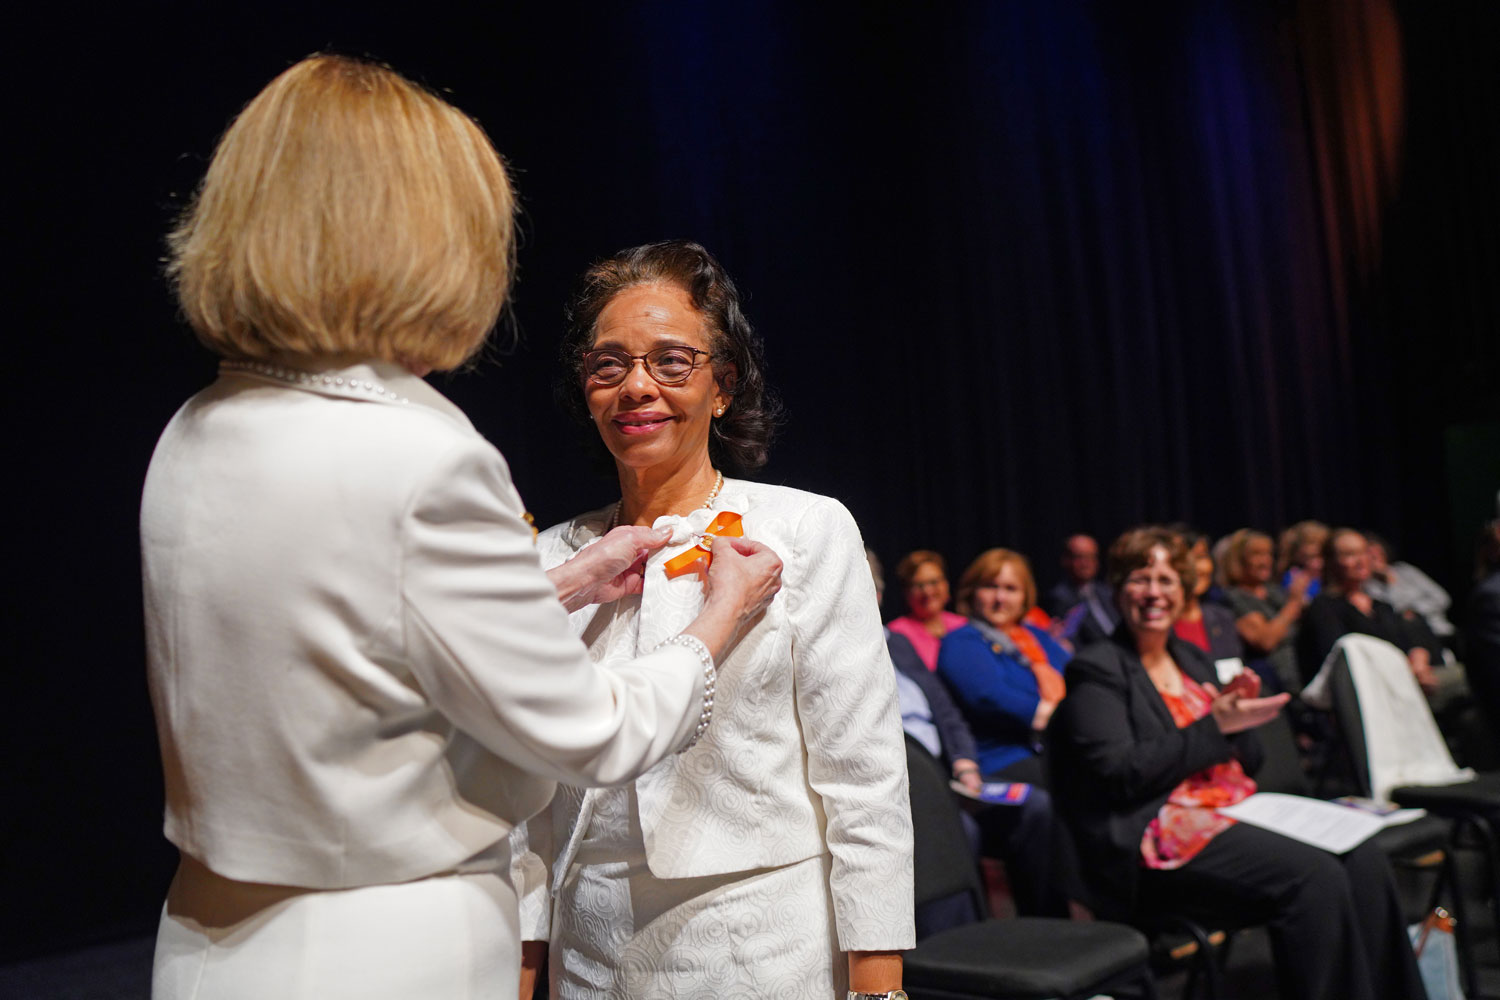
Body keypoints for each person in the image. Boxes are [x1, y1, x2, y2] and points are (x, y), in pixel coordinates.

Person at [142, 57, 784, 1000]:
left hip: (209, 937)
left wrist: (555, 584)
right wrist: (718, 619)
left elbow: (345, 633)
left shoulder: (194, 430)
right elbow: (594, 731)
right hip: (381, 947)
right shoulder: (421, 455)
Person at [516, 241, 912, 999]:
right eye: (608, 365)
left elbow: (862, 779)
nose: (636, 387)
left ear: (723, 386)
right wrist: (525, 971)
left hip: (762, 950)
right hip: (585, 953)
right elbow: (525, 805)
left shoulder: (804, 529)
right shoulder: (550, 561)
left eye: (671, 361)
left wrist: (878, 985)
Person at [1050, 528, 1427, 1000]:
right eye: (1139, 579)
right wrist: (1215, 727)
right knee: (1315, 876)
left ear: (1184, 590)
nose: (1153, 593)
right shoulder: (1098, 668)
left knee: (1364, 857)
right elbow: (1121, 773)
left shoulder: (1190, 657)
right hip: (1159, 834)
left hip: (1230, 810)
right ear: (1118, 587)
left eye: (1166, 580)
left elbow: (1247, 761)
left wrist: (1239, 721)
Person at [938, 549, 1072, 784]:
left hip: (1057, 745)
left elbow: (1077, 678)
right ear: (972, 592)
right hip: (1004, 759)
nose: (1000, 598)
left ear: (1024, 596)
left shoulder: (1038, 637)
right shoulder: (962, 641)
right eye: (990, 586)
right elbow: (991, 697)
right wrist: (1070, 717)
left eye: (1011, 589)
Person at [1297, 528, 1443, 691]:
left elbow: (1406, 642)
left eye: (1364, 552)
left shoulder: (1381, 606)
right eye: (1350, 554)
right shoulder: (1324, 607)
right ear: (1332, 562)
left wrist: (1418, 657)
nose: (1361, 561)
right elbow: (1340, 661)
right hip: (1364, 692)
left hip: (1399, 683)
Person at [1221, 528, 1309, 695]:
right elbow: (1265, 641)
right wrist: (1294, 603)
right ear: (1238, 560)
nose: (1265, 561)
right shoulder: (1234, 598)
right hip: (1270, 687)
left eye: (1268, 554)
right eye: (1256, 554)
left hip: (1300, 685)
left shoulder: (1276, 593)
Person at [1172, 530, 1246, 666]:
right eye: (1185, 559)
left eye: (1201, 557)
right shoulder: (1156, 625)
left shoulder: (1222, 618)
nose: (1196, 568)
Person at [887, 550, 969, 671]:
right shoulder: (896, 633)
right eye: (919, 585)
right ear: (906, 592)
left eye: (934, 582)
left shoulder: (963, 625)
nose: (928, 592)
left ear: (946, 584)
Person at [1365, 533, 1456, 639]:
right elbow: (1394, 611)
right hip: (1410, 637)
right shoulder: (1368, 586)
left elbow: (1442, 598)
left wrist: (1415, 611)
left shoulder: (1405, 570)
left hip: (1440, 630)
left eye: (1380, 554)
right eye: (1372, 557)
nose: (1377, 560)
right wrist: (1390, 582)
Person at [1044, 533, 1119, 642]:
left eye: (1091, 557)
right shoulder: (1059, 598)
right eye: (1079, 557)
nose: (1086, 563)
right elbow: (1070, 641)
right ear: (1065, 560)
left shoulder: (1107, 592)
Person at [1277, 519, 1329, 600]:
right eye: (1310, 557)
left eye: (1320, 556)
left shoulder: (1330, 575)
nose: (1318, 563)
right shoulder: (1293, 576)